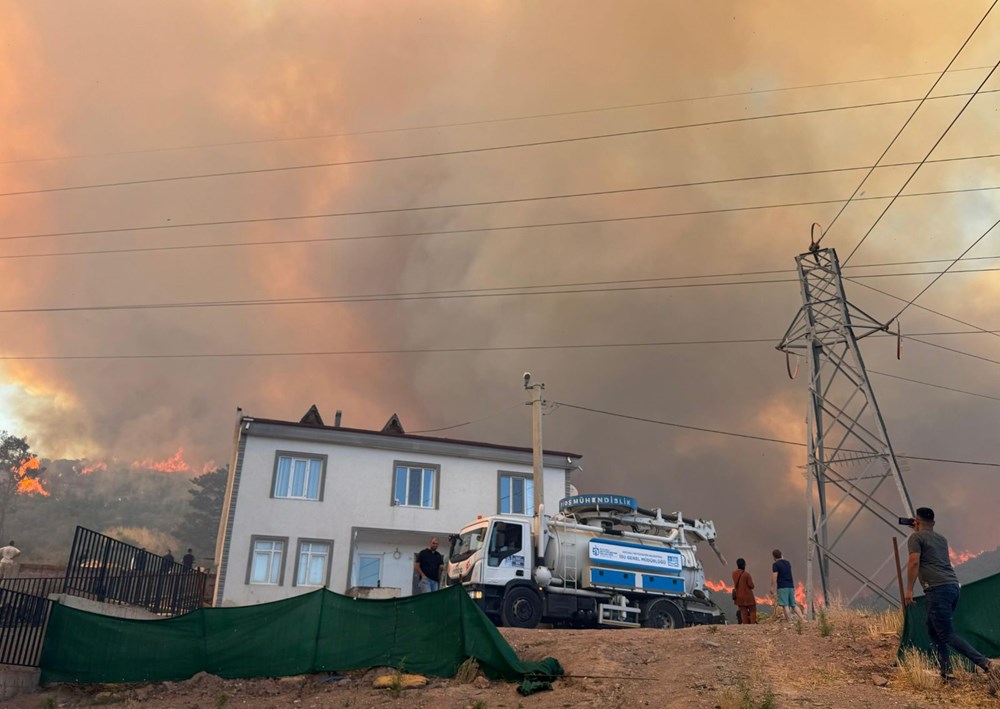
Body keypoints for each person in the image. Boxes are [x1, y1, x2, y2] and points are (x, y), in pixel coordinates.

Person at [905, 507, 997, 682]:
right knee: (933, 630)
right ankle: (947, 673)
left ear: (916, 521)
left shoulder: (915, 537)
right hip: (953, 587)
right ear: (933, 523)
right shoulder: (941, 539)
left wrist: (909, 589)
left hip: (936, 589)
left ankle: (986, 664)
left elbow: (914, 562)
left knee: (946, 634)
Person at [771, 549, 804, 622]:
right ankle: (802, 619)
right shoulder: (787, 563)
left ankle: (789, 621)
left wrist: (772, 587)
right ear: (781, 555)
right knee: (793, 604)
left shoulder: (775, 565)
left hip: (782, 587)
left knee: (785, 605)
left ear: (774, 557)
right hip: (791, 586)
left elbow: (774, 576)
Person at [732, 558, 757, 625]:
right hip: (748, 596)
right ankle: (752, 624)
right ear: (744, 565)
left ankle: (745, 625)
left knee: (743, 611)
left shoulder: (734, 574)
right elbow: (751, 585)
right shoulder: (746, 574)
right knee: (752, 610)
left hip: (739, 596)